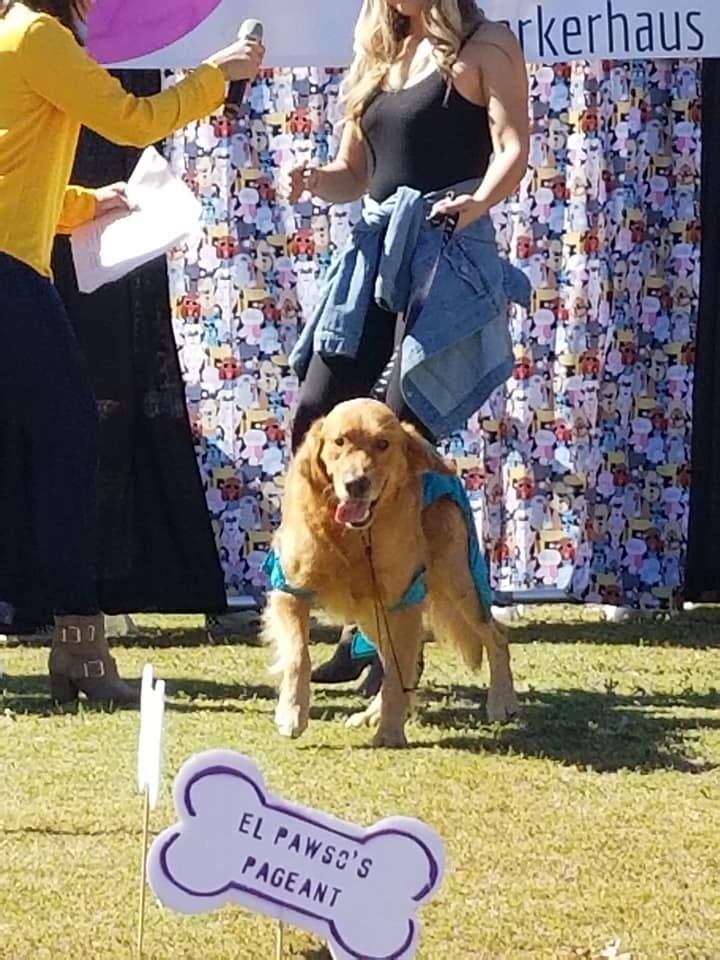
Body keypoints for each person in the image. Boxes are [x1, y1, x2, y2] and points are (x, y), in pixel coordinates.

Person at [0, 0, 264, 704]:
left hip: (14, 265)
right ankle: (78, 651)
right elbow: (133, 120)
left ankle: (77, 650)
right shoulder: (35, 35)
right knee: (72, 438)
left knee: (54, 441)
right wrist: (218, 75)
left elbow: (17, 176)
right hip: (8, 275)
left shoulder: (14, 36)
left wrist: (90, 204)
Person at [279, 0, 530, 690]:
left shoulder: (486, 46)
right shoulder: (381, 51)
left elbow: (513, 149)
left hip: (444, 254)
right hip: (373, 258)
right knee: (318, 416)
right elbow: (354, 175)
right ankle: (354, 617)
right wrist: (315, 181)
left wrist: (475, 203)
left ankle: (390, 641)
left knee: (398, 443)